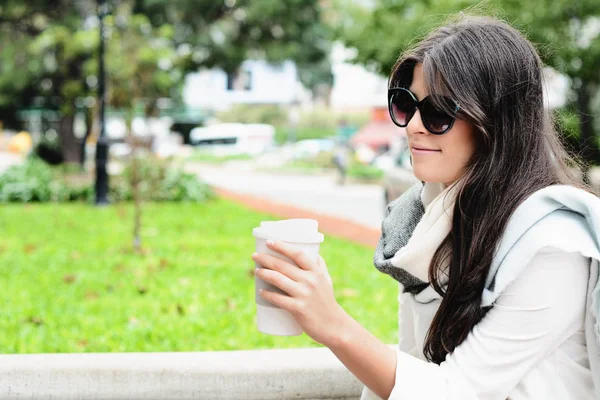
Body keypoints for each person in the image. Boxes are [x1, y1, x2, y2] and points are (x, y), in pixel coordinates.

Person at [251, 15, 600, 400]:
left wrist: (332, 323)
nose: (413, 125)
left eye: (438, 112)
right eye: (405, 104)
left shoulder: (553, 245)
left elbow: (455, 392)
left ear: (496, 123)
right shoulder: (429, 218)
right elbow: (413, 362)